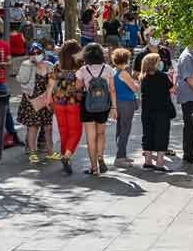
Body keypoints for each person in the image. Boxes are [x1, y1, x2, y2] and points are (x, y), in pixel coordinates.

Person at [77, 42, 116, 175]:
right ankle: (100, 157)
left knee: (90, 137)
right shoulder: (108, 69)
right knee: (101, 134)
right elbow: (112, 90)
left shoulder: (83, 70)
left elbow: (78, 87)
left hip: (88, 105)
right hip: (104, 104)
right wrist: (114, 107)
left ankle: (93, 167)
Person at [46, 40, 84, 175]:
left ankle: (65, 156)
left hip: (58, 101)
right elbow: (80, 85)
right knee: (76, 131)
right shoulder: (80, 67)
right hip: (74, 102)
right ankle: (67, 156)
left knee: (64, 131)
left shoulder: (57, 66)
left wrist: (48, 99)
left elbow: (50, 84)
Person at [16, 43, 56, 164]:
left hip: (46, 100)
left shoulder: (49, 65)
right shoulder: (26, 65)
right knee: (33, 127)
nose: (36, 55)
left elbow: (53, 82)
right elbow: (21, 80)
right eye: (33, 53)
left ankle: (50, 152)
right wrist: (29, 65)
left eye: (38, 53)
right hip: (31, 100)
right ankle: (33, 153)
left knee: (48, 127)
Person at [139, 52, 174, 172]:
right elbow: (173, 89)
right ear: (154, 63)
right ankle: (159, 163)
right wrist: (172, 77)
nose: (160, 63)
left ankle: (148, 162)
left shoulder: (143, 77)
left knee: (148, 134)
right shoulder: (162, 76)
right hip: (162, 110)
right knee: (162, 135)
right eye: (159, 61)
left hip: (147, 111)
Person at [111, 48, 139, 166]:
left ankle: (121, 153)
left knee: (120, 129)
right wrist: (137, 82)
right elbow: (135, 88)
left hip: (118, 102)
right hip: (127, 103)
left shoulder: (113, 71)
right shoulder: (124, 73)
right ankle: (120, 157)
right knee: (125, 130)